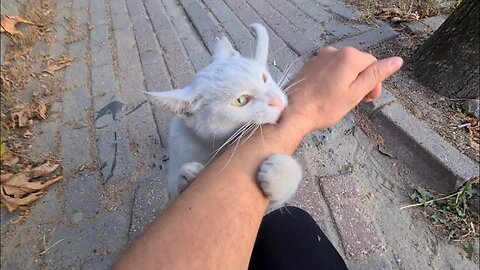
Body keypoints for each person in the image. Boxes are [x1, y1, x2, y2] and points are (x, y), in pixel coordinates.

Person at [112, 47, 403, 270]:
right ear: (188, 111)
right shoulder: (186, 129)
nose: (276, 99)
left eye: (265, 78)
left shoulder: (262, 110)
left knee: (287, 222)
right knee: (291, 225)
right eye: (241, 100)